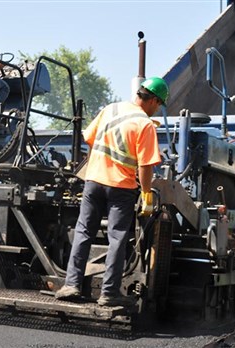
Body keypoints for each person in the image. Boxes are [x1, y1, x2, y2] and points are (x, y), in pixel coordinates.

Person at [54, 77, 168, 307]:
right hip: (121, 187)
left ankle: (71, 285)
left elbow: (88, 137)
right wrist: (146, 193)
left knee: (84, 231)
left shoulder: (110, 108)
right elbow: (146, 165)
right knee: (117, 238)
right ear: (153, 100)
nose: (157, 110)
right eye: (159, 105)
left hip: (93, 180)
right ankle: (109, 293)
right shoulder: (144, 124)